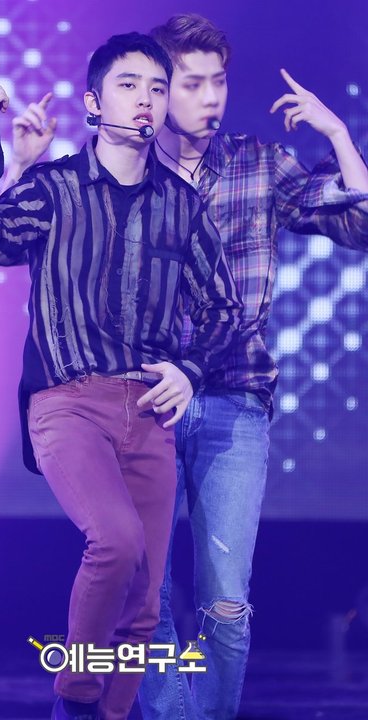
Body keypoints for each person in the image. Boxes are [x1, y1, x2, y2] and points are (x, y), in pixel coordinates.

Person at [0, 32, 242, 720]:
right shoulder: (53, 189)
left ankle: (102, 714)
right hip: (68, 402)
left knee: (145, 604)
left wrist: (189, 369)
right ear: (93, 102)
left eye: (157, 88)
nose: (146, 99)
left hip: (150, 413)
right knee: (115, 540)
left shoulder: (182, 204)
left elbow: (225, 309)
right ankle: (78, 695)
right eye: (129, 85)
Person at [132, 13, 368, 720]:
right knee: (143, 597)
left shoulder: (260, 164)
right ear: (158, 89)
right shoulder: (124, 171)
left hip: (234, 400)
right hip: (143, 401)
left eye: (220, 82)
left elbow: (360, 224)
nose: (211, 97)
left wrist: (338, 135)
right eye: (192, 83)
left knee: (225, 602)